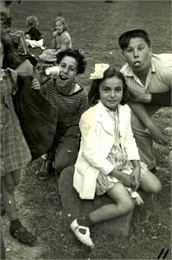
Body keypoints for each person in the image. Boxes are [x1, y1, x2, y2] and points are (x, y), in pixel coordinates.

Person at [70, 64, 162, 248]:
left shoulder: (124, 110)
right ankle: (81, 223)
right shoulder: (90, 116)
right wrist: (121, 177)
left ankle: (129, 188)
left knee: (155, 186)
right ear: (98, 90)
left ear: (123, 91)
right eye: (106, 90)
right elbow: (91, 155)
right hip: (101, 166)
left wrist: (136, 166)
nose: (112, 95)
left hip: (123, 161)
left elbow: (128, 139)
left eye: (117, 90)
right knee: (126, 205)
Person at [1, 31, 37, 246]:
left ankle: (3, 198)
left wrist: (34, 86)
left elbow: (28, 74)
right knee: (6, 183)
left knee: (14, 180)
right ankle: (16, 224)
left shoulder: (9, 76)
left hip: (10, 136)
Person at [118, 29, 172, 173]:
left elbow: (139, 98)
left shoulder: (167, 68)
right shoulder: (124, 76)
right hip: (157, 94)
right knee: (133, 120)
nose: (136, 54)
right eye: (129, 50)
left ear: (150, 50)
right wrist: (151, 126)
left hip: (164, 91)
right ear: (123, 55)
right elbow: (133, 101)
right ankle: (148, 168)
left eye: (140, 48)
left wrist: (146, 97)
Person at [37, 49, 88, 180]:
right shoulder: (48, 85)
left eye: (71, 69)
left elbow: (84, 124)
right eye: (63, 66)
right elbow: (32, 103)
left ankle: (59, 152)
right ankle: (47, 157)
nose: (65, 71)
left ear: (77, 73)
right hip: (49, 125)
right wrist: (39, 81)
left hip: (68, 129)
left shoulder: (81, 96)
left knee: (62, 166)